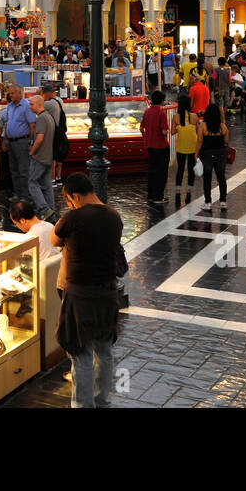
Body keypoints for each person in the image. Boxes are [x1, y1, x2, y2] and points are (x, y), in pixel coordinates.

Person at [51, 172, 124, 409]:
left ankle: (83, 405)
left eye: (69, 201)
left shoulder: (73, 217)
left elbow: (53, 240)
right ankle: (103, 401)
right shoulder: (114, 216)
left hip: (79, 295)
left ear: (74, 196)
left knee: (80, 353)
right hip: (107, 293)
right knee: (104, 351)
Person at [0, 84, 35, 202]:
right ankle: (17, 194)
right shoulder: (10, 107)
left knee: (24, 171)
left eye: (13, 93)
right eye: (10, 93)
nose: (11, 95)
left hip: (22, 142)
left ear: (20, 93)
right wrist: (4, 140)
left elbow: (32, 125)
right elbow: (8, 124)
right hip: (11, 142)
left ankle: (26, 196)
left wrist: (31, 142)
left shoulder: (26, 106)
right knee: (14, 170)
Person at [27, 94, 56, 217]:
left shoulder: (41, 118)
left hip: (40, 156)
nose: (30, 107)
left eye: (32, 104)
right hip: (49, 156)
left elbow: (39, 138)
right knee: (47, 184)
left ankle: (44, 209)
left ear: (39, 105)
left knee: (32, 182)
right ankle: (51, 210)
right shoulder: (49, 117)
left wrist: (32, 152)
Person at [140, 89, 171, 206]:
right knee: (161, 173)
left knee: (152, 171)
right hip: (161, 147)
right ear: (162, 101)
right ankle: (159, 196)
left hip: (150, 146)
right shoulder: (161, 113)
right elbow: (164, 131)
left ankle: (150, 196)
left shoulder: (147, 112)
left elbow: (141, 128)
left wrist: (147, 137)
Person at [197, 102, 229, 208]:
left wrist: (196, 154)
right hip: (220, 154)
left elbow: (200, 141)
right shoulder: (223, 127)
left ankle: (208, 202)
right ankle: (223, 201)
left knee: (207, 178)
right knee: (221, 177)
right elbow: (226, 142)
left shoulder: (203, 126)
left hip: (207, 154)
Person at [172, 93, 199, 209]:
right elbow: (198, 131)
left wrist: (179, 128)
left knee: (180, 170)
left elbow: (173, 132)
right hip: (192, 146)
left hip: (181, 146)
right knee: (191, 170)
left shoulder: (176, 117)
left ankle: (178, 194)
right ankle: (189, 193)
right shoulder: (194, 116)